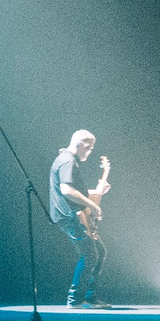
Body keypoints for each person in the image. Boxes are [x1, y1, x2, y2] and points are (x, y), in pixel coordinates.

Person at [49, 129, 112, 307]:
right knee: (89, 254)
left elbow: (76, 192)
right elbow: (67, 191)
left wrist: (95, 194)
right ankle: (75, 299)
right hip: (69, 216)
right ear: (82, 144)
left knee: (99, 252)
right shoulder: (67, 160)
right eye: (90, 148)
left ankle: (89, 297)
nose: (90, 152)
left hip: (74, 214)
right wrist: (93, 205)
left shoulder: (69, 160)